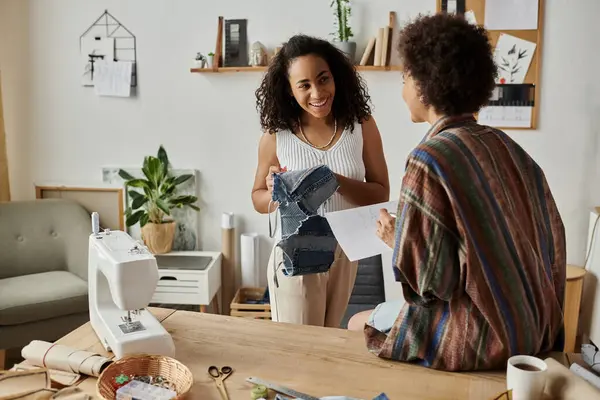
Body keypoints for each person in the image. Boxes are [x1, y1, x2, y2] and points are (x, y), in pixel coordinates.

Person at [348, 13, 566, 371]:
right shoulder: (509, 149)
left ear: (423, 85)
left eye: (404, 79)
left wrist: (398, 238)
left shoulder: (428, 158)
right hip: (534, 328)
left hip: (482, 337)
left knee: (358, 323)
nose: (402, 90)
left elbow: (432, 286)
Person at [251, 34, 390, 328]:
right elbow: (258, 199)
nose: (317, 92)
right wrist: (279, 190)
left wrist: (332, 180)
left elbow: (380, 193)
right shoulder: (276, 135)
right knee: (299, 352)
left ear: (335, 77)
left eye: (323, 79)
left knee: (328, 344)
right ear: (289, 91)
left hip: (346, 252)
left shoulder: (361, 125)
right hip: (295, 253)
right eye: (304, 85)